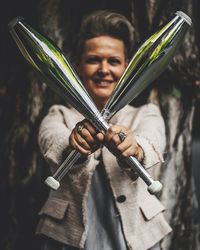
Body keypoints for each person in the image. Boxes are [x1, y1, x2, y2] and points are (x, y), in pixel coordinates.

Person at [35, 10, 172, 250]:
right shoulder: (58, 114)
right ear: (78, 66)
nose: (104, 69)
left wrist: (135, 148)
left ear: (127, 67)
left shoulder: (147, 113)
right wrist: (72, 143)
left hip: (137, 237)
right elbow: (51, 140)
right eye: (93, 60)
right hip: (66, 238)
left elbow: (152, 142)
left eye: (114, 61)